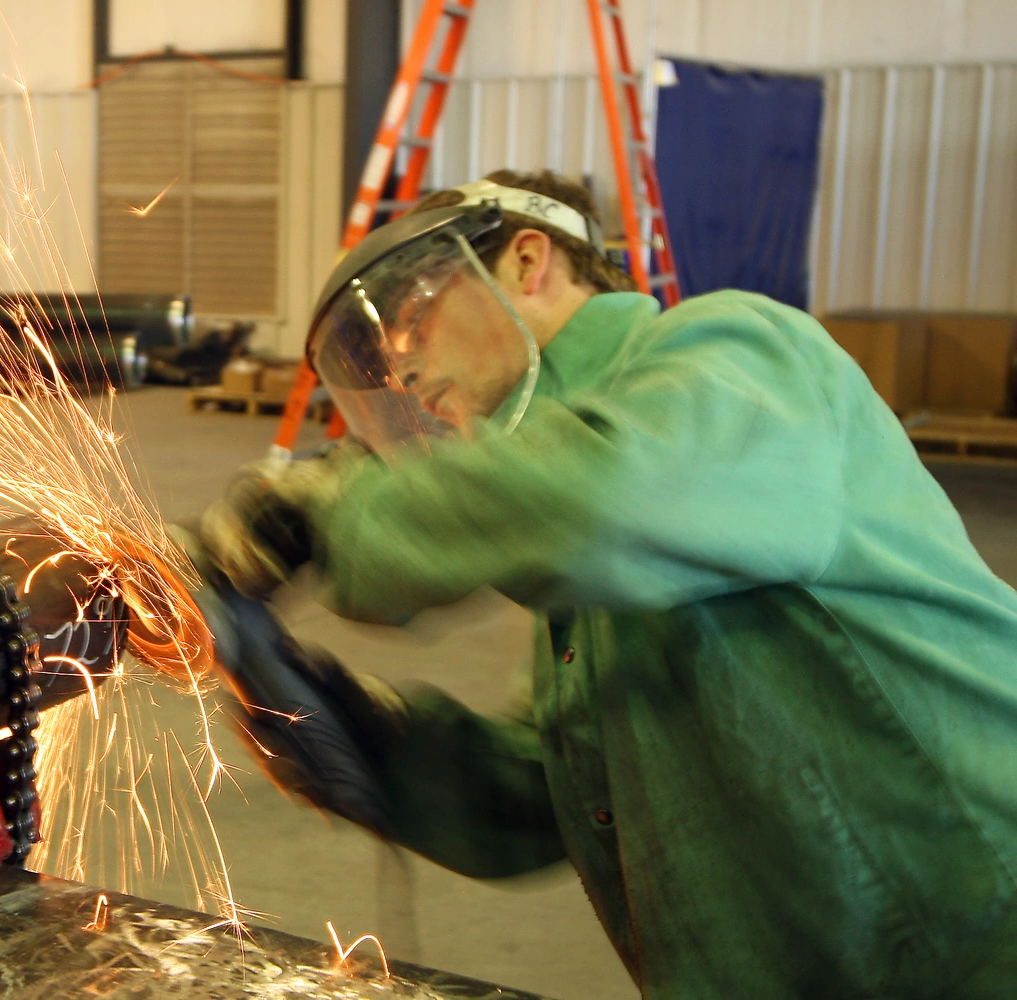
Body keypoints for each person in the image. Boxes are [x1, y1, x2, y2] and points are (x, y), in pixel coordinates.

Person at [180, 169, 1017, 999]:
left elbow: (608, 497)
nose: (398, 364)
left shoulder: (745, 354)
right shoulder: (569, 547)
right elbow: (554, 788)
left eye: (410, 317)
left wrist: (327, 511)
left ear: (526, 262)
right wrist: (349, 728)